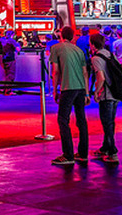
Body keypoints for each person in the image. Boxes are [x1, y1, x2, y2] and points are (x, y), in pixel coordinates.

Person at [49, 26, 89, 166]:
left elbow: (56, 71)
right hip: (80, 88)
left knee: (63, 120)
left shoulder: (56, 48)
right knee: (81, 120)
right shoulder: (79, 50)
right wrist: (87, 92)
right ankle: (83, 153)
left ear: (61, 35)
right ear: (73, 37)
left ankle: (68, 154)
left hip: (67, 87)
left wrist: (55, 89)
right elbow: (85, 72)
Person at [90, 33, 119, 164]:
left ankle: (112, 152)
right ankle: (106, 147)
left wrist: (96, 92)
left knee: (107, 123)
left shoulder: (96, 58)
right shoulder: (109, 54)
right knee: (111, 122)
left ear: (92, 44)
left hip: (106, 94)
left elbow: (101, 78)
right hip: (115, 93)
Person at [0, 29, 21, 95]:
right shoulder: (12, 40)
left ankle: (5, 89)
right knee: (10, 75)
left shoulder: (1, 39)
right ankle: (8, 91)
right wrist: (19, 44)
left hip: (4, 59)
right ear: (12, 35)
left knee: (6, 74)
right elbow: (18, 49)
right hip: (10, 59)